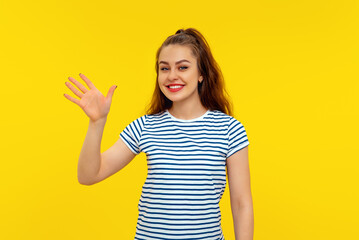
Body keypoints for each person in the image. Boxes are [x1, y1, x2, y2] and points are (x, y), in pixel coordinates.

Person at [64, 28, 253, 240]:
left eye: (183, 67)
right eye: (164, 68)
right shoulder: (145, 127)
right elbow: (88, 176)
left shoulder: (229, 129)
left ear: (201, 74)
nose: (172, 76)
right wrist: (97, 122)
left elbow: (241, 204)